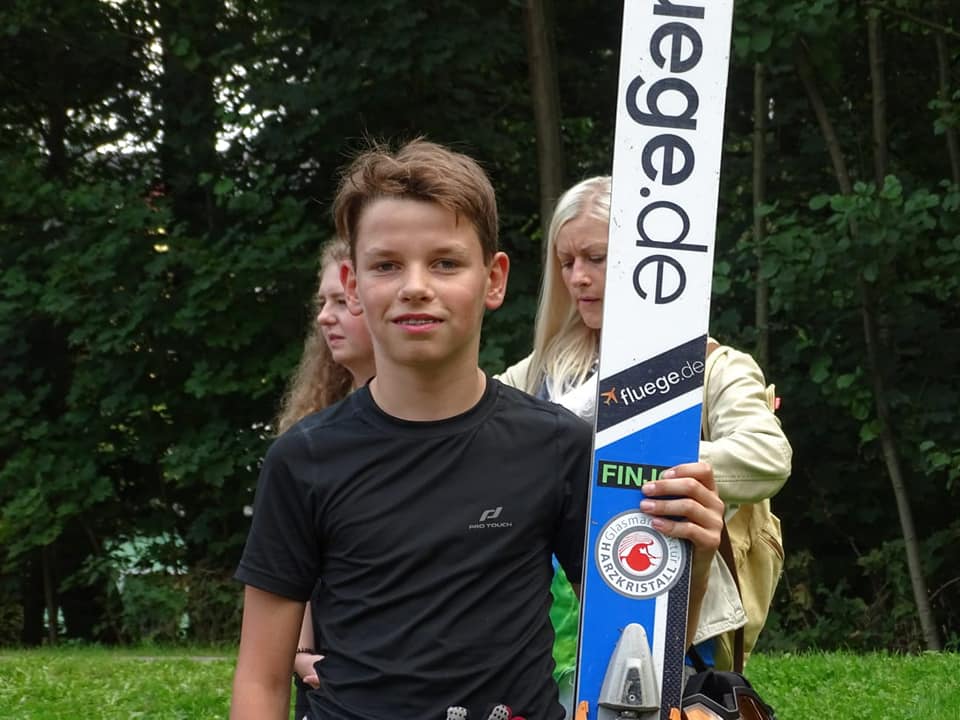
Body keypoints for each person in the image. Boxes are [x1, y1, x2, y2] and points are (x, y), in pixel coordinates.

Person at [230, 140, 724, 720]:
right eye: (387, 264)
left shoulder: (556, 445)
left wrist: (691, 553)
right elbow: (261, 679)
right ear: (353, 283)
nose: (416, 285)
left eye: (445, 262)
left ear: (494, 279)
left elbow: (633, 639)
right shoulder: (303, 459)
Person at [497, 175, 792, 679]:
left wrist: (627, 457)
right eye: (567, 262)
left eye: (596, 258)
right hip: (540, 618)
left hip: (667, 605)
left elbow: (767, 457)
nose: (578, 278)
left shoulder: (713, 364)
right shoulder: (539, 370)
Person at [273, 236, 376, 719]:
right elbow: (292, 565)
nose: (324, 317)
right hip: (332, 678)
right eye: (323, 302)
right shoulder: (310, 438)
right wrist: (299, 652)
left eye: (339, 301)